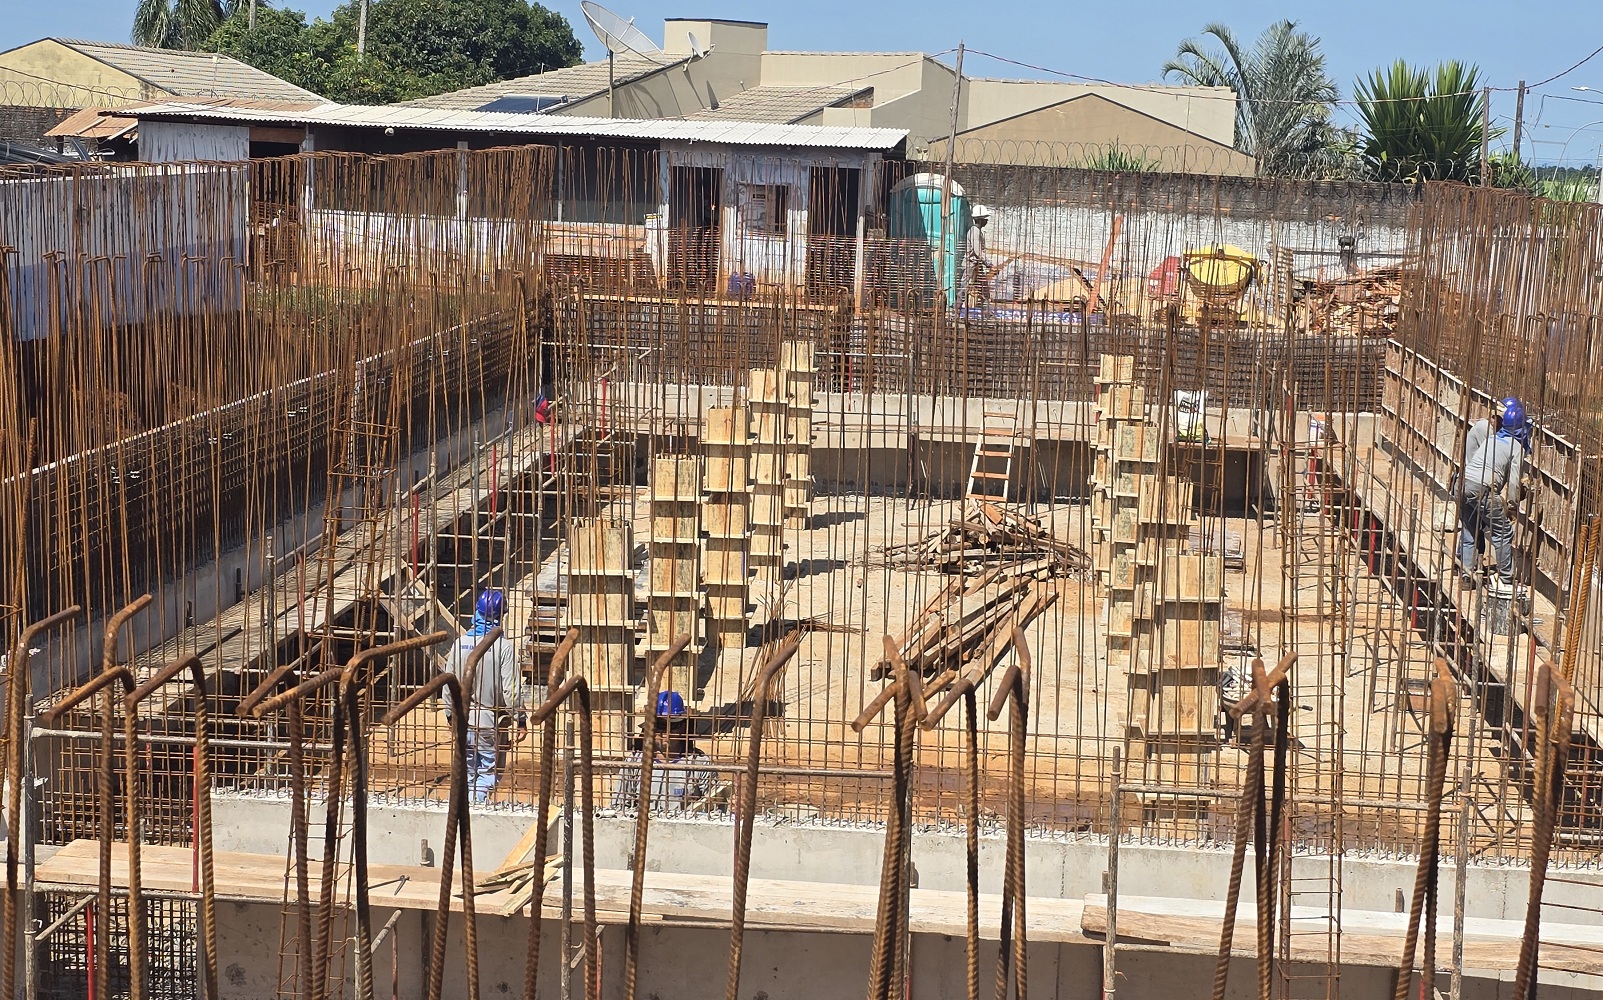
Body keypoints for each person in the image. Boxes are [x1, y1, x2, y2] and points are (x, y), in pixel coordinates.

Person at [444, 589, 529, 804]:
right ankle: (476, 812)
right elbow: (511, 690)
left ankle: (463, 812)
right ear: (501, 616)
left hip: (462, 719)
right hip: (488, 721)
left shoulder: (459, 644)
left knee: (467, 771)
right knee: (487, 773)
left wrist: (449, 715)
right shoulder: (503, 647)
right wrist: (519, 719)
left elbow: (448, 684)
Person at [1458, 396, 1532, 594]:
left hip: (1462, 484)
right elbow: (1515, 482)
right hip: (1482, 489)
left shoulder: (1491, 438)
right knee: (1503, 533)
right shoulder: (1516, 447)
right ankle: (1506, 579)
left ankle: (1466, 575)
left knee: (1469, 530)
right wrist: (1513, 505)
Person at [612, 691, 719, 812]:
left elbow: (716, 807)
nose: (667, 732)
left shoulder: (699, 763)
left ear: (683, 727)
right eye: (661, 725)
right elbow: (618, 807)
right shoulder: (635, 762)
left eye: (673, 725)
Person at [963, 205, 993, 308]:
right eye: (985, 219)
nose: (987, 221)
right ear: (980, 220)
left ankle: (987, 312)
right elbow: (977, 251)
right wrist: (988, 263)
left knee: (984, 290)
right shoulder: (974, 231)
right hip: (971, 264)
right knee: (964, 288)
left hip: (977, 264)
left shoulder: (978, 231)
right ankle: (956, 311)